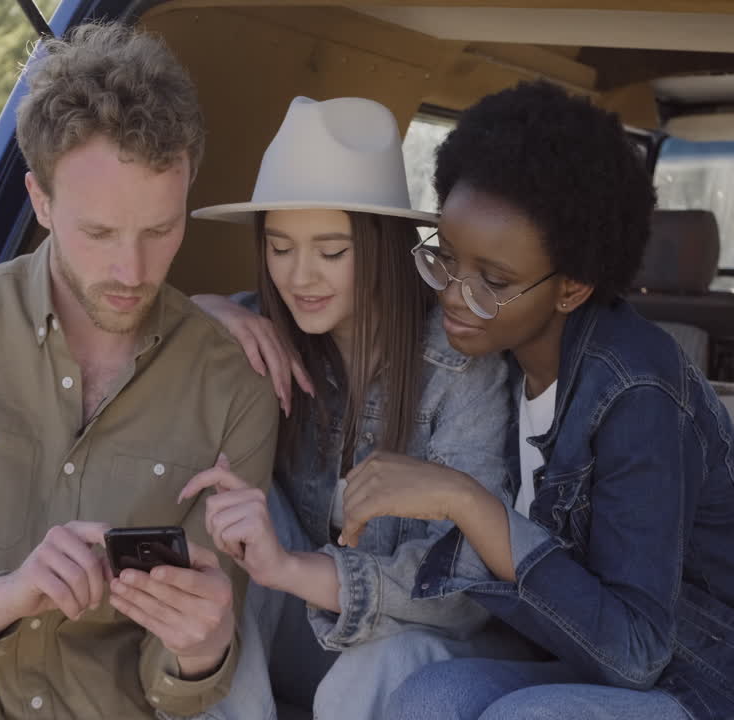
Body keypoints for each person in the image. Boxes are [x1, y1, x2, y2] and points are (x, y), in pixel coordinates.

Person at [338, 81, 734, 720]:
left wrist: (465, 502)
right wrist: (226, 315)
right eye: (445, 259)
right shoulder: (496, 346)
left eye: (492, 280)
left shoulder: (638, 391)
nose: (454, 296)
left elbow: (636, 653)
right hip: (592, 669)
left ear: (571, 288)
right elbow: (347, 313)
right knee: (425, 697)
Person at [0, 23, 278, 719]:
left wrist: (204, 648)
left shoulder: (233, 388)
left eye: (161, 230)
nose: (132, 272)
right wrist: (4, 596)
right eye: (99, 233)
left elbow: (183, 684)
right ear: (39, 202)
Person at [178, 96, 517, 720]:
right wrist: (201, 311)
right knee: (220, 506)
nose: (300, 276)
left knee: (377, 664)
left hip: (419, 646)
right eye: (280, 248)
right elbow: (134, 341)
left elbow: (464, 592)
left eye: (331, 251)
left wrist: (290, 569)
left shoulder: (463, 369)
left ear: (383, 245)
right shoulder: (256, 325)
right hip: (297, 637)